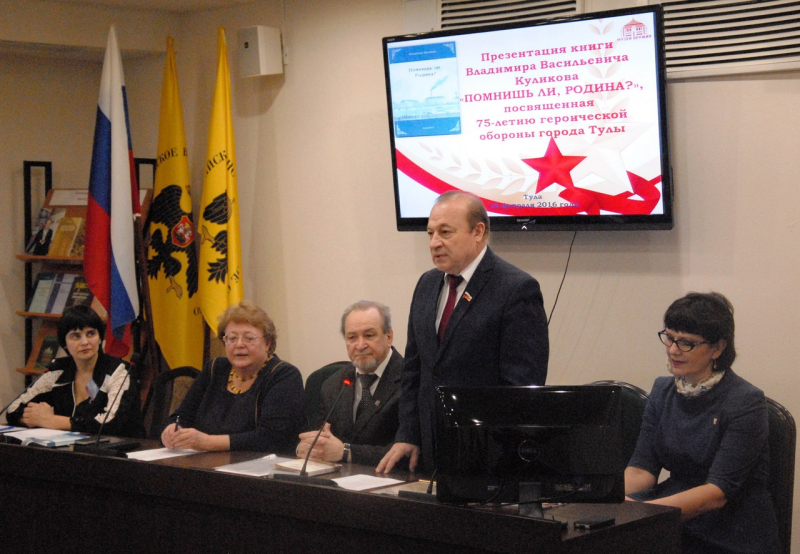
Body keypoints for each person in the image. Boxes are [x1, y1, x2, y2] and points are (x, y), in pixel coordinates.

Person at [377, 191, 549, 473]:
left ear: (478, 232)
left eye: (445, 232)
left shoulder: (516, 289)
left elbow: (521, 388)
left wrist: (489, 449)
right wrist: (408, 433)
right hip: (429, 452)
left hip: (487, 457)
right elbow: (414, 370)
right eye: (430, 233)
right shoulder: (426, 284)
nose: (434, 243)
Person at [626, 292, 780, 554]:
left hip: (730, 531)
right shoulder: (662, 390)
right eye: (669, 337)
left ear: (718, 348)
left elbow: (716, 494)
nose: (673, 350)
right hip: (675, 516)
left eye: (687, 343)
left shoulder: (745, 401)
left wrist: (644, 513)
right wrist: (608, 502)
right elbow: (641, 471)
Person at [161, 301, 304, 453]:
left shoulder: (284, 375)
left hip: (260, 464)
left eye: (249, 338)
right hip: (205, 461)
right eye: (232, 338)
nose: (239, 345)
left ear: (267, 343)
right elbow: (182, 417)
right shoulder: (214, 369)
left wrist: (208, 442)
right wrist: (170, 431)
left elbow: (271, 437)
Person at [6, 305, 142, 437]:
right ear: (64, 343)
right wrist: (34, 419)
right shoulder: (57, 370)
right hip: (68, 447)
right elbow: (13, 410)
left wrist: (53, 421)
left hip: (121, 449)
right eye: (76, 336)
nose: (85, 342)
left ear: (100, 338)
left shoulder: (118, 371)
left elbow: (111, 423)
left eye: (91, 334)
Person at [297, 301, 403, 466]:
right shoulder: (332, 385)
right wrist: (308, 448)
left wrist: (347, 452)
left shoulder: (411, 380)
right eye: (352, 337)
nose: (360, 345)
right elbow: (322, 438)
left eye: (369, 335)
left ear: (388, 337)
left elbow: (409, 452)